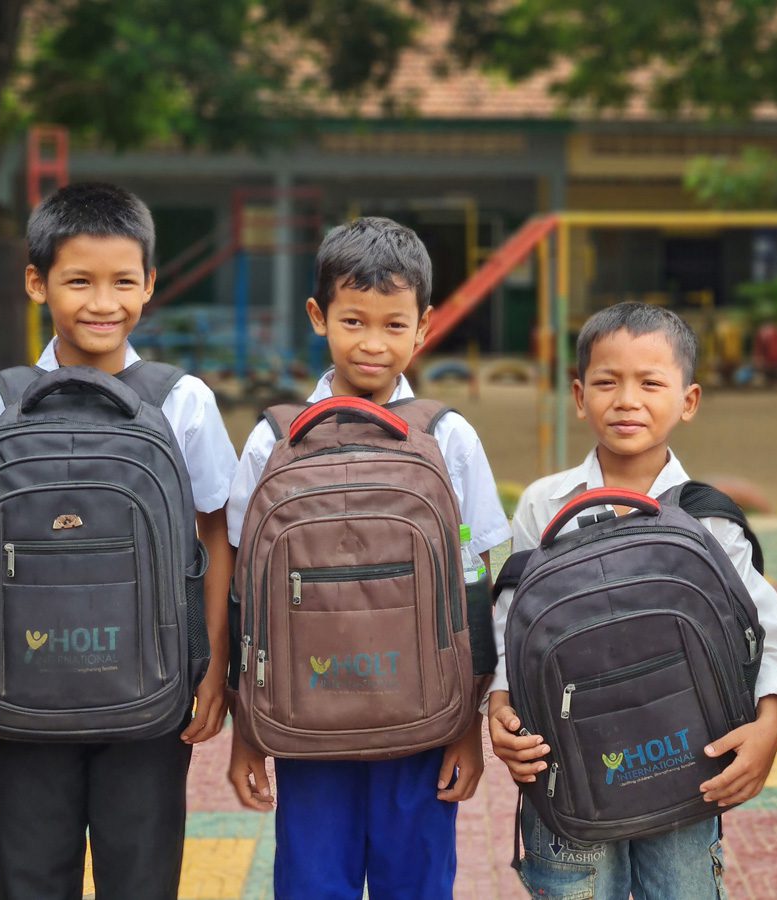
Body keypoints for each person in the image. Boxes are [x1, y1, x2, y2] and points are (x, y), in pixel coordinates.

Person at [0, 182, 237, 899]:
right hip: (21, 698)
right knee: (31, 881)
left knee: (143, 882)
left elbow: (218, 532)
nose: (104, 302)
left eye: (124, 281)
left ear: (150, 284)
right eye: (79, 281)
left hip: (154, 696)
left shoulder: (181, 401)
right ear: (38, 283)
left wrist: (213, 666)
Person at [224, 216, 511, 898]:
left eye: (393, 325)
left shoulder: (448, 436)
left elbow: (475, 582)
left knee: (416, 885)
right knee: (310, 885)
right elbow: (245, 592)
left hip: (422, 722)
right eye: (354, 321)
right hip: (303, 720)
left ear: (424, 326)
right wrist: (247, 727)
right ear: (319, 317)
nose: (374, 344)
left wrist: (465, 726)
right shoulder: (275, 440)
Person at [488, 301, 777, 898]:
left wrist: (770, 725)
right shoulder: (544, 505)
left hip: (686, 766)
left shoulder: (707, 519)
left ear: (687, 401)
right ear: (580, 396)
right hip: (569, 766)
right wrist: (500, 703)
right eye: (607, 382)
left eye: (650, 383)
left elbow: (765, 630)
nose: (627, 399)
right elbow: (514, 619)